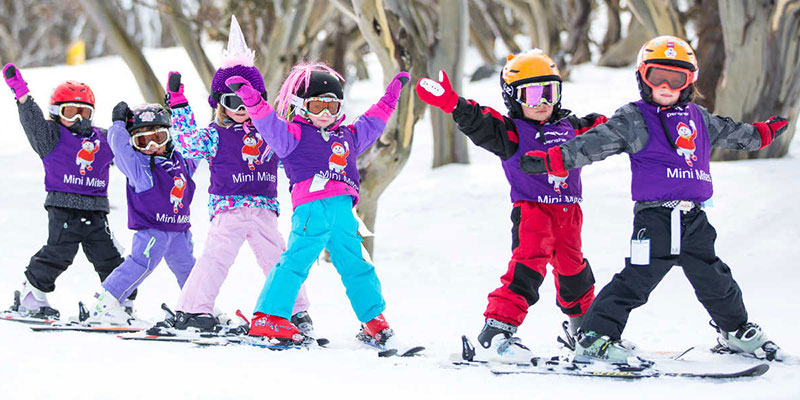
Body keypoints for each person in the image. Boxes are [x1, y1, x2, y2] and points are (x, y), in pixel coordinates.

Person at [519, 36, 786, 362]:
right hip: (655, 219)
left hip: (694, 219)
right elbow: (594, 143)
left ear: (690, 82)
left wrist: (763, 133)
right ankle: (593, 337)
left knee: (714, 276)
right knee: (636, 280)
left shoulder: (699, 118)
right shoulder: (635, 118)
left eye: (676, 78)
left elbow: (734, 132)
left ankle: (735, 330)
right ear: (642, 77)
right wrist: (554, 160)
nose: (665, 85)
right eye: (656, 76)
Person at [416, 49, 606, 362]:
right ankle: (498, 330)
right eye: (532, 95)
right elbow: (479, 121)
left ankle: (584, 330)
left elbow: (606, 130)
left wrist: (638, 124)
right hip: (533, 214)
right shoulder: (511, 132)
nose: (542, 102)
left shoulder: (573, 128)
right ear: (513, 98)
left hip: (569, 215)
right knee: (528, 268)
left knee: (575, 271)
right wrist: (453, 103)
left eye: (550, 92)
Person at [224, 62, 410, 347]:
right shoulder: (292, 136)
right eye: (317, 106)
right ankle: (269, 317)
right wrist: (250, 98)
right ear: (300, 106)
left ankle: (374, 320)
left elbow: (371, 124)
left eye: (332, 107)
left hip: (344, 214)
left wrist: (390, 99)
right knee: (296, 262)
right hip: (312, 211)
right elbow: (268, 122)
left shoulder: (347, 136)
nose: (325, 114)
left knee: (357, 265)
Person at [150, 15, 312, 335]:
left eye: (245, 99)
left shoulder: (270, 133)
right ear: (220, 104)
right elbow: (184, 143)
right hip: (228, 208)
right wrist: (179, 104)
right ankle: (195, 310)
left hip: (264, 209)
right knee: (214, 260)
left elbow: (293, 153)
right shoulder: (214, 134)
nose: (240, 107)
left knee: (279, 260)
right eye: (231, 100)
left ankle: (294, 312)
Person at [2, 63, 127, 320]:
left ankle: (118, 301)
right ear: (57, 113)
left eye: (85, 111)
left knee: (109, 256)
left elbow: (127, 148)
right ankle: (31, 295)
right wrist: (21, 94)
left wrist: (124, 124)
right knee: (59, 253)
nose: (79, 118)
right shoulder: (52, 136)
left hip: (95, 211)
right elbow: (33, 122)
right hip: (63, 209)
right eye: (72, 111)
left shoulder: (102, 138)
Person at [84, 102, 198, 325]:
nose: (153, 145)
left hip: (179, 230)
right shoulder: (139, 169)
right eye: (143, 141)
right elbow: (120, 148)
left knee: (188, 268)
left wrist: (180, 105)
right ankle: (105, 303)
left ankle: (197, 305)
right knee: (140, 264)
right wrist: (118, 124)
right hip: (152, 230)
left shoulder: (182, 162)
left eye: (159, 137)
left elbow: (193, 141)